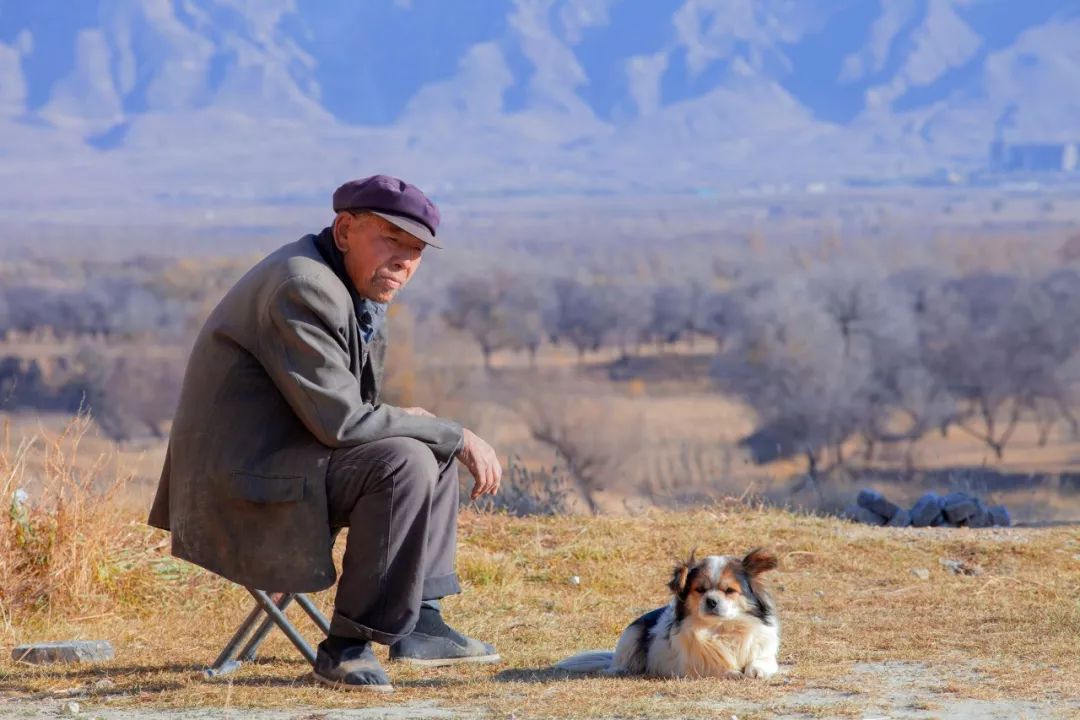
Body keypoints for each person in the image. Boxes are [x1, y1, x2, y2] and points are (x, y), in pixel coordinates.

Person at [148, 174, 504, 692]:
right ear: (344, 231)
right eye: (391, 240)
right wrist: (448, 430)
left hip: (286, 459)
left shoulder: (343, 285)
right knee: (407, 458)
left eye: (416, 250)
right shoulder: (304, 286)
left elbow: (343, 410)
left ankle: (420, 623)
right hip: (238, 484)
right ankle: (346, 648)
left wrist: (435, 432)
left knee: (430, 448)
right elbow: (341, 421)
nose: (405, 261)